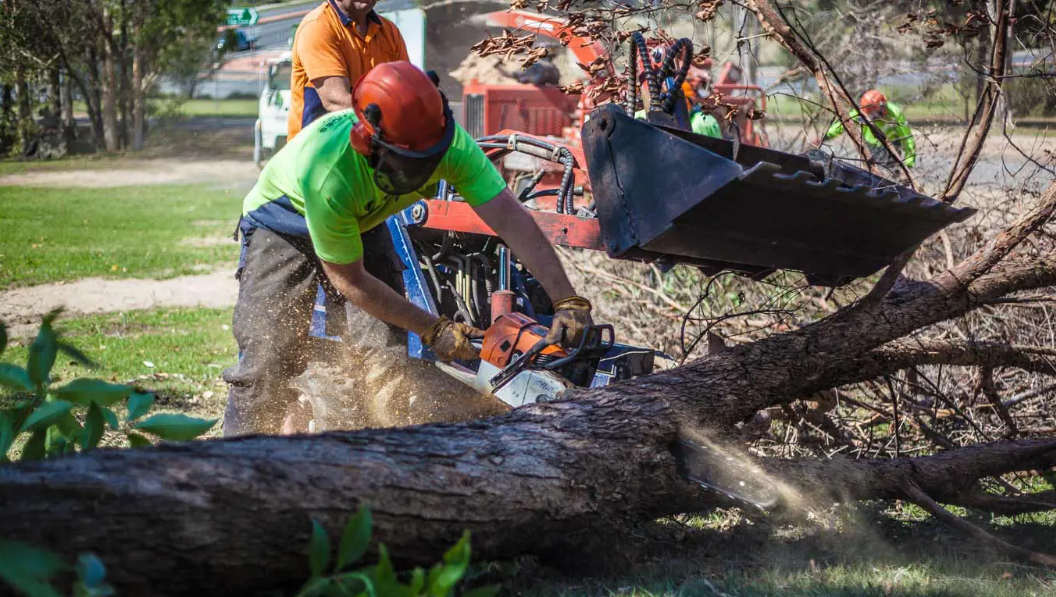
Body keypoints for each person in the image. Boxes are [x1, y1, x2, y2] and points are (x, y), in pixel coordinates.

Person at [223, 62, 595, 436]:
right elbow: (350, 281)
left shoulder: (446, 144)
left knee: (385, 354)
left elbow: (512, 220)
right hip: (286, 218)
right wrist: (432, 329)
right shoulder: (331, 175)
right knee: (267, 356)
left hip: (362, 218)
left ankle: (371, 458)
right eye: (408, 164)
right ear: (368, 144)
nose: (421, 172)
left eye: (427, 161)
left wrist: (567, 300)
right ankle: (237, 463)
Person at [287, 0, 408, 141]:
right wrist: (391, 113)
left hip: (368, 149)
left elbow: (405, 91)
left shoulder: (389, 31)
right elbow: (336, 101)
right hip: (317, 152)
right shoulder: (318, 26)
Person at [822, 89, 916, 169]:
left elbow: (907, 138)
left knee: (891, 174)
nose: (871, 117)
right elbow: (842, 124)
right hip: (871, 146)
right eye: (869, 113)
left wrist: (909, 164)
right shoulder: (861, 112)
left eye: (873, 112)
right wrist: (825, 136)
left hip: (892, 147)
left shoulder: (894, 113)